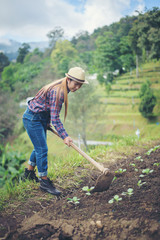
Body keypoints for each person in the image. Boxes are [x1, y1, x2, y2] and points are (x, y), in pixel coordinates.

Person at [22, 67, 88, 196]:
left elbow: (47, 107)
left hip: (39, 118)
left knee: (38, 147)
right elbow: (55, 118)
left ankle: (28, 174)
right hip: (33, 119)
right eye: (76, 84)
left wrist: (46, 121)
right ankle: (44, 182)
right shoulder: (59, 92)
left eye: (80, 85)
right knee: (42, 149)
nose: (77, 88)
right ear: (68, 79)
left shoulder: (62, 85)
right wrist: (65, 136)